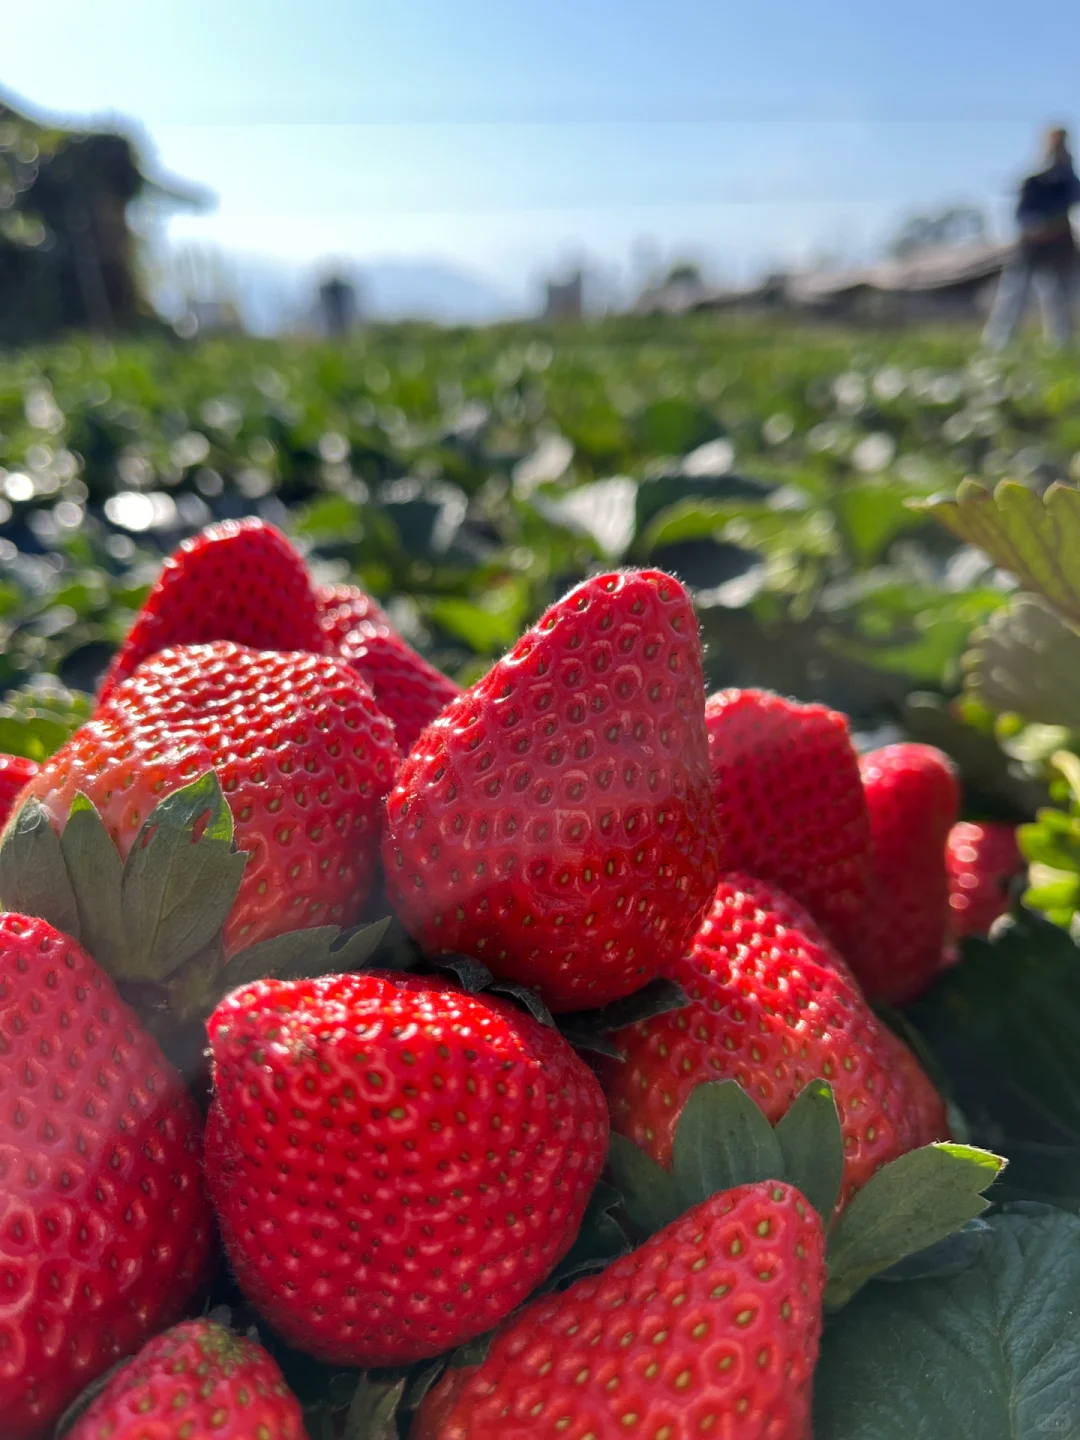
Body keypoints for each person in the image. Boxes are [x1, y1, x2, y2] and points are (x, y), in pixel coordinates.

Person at [983, 126, 1080, 350]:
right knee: (1014, 296)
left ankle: (1059, 344)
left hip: (1059, 248)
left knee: (1057, 299)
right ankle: (997, 344)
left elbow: (1076, 196)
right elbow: (1022, 215)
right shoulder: (1034, 181)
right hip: (1031, 247)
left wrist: (1069, 169)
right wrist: (1039, 227)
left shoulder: (1066, 181)